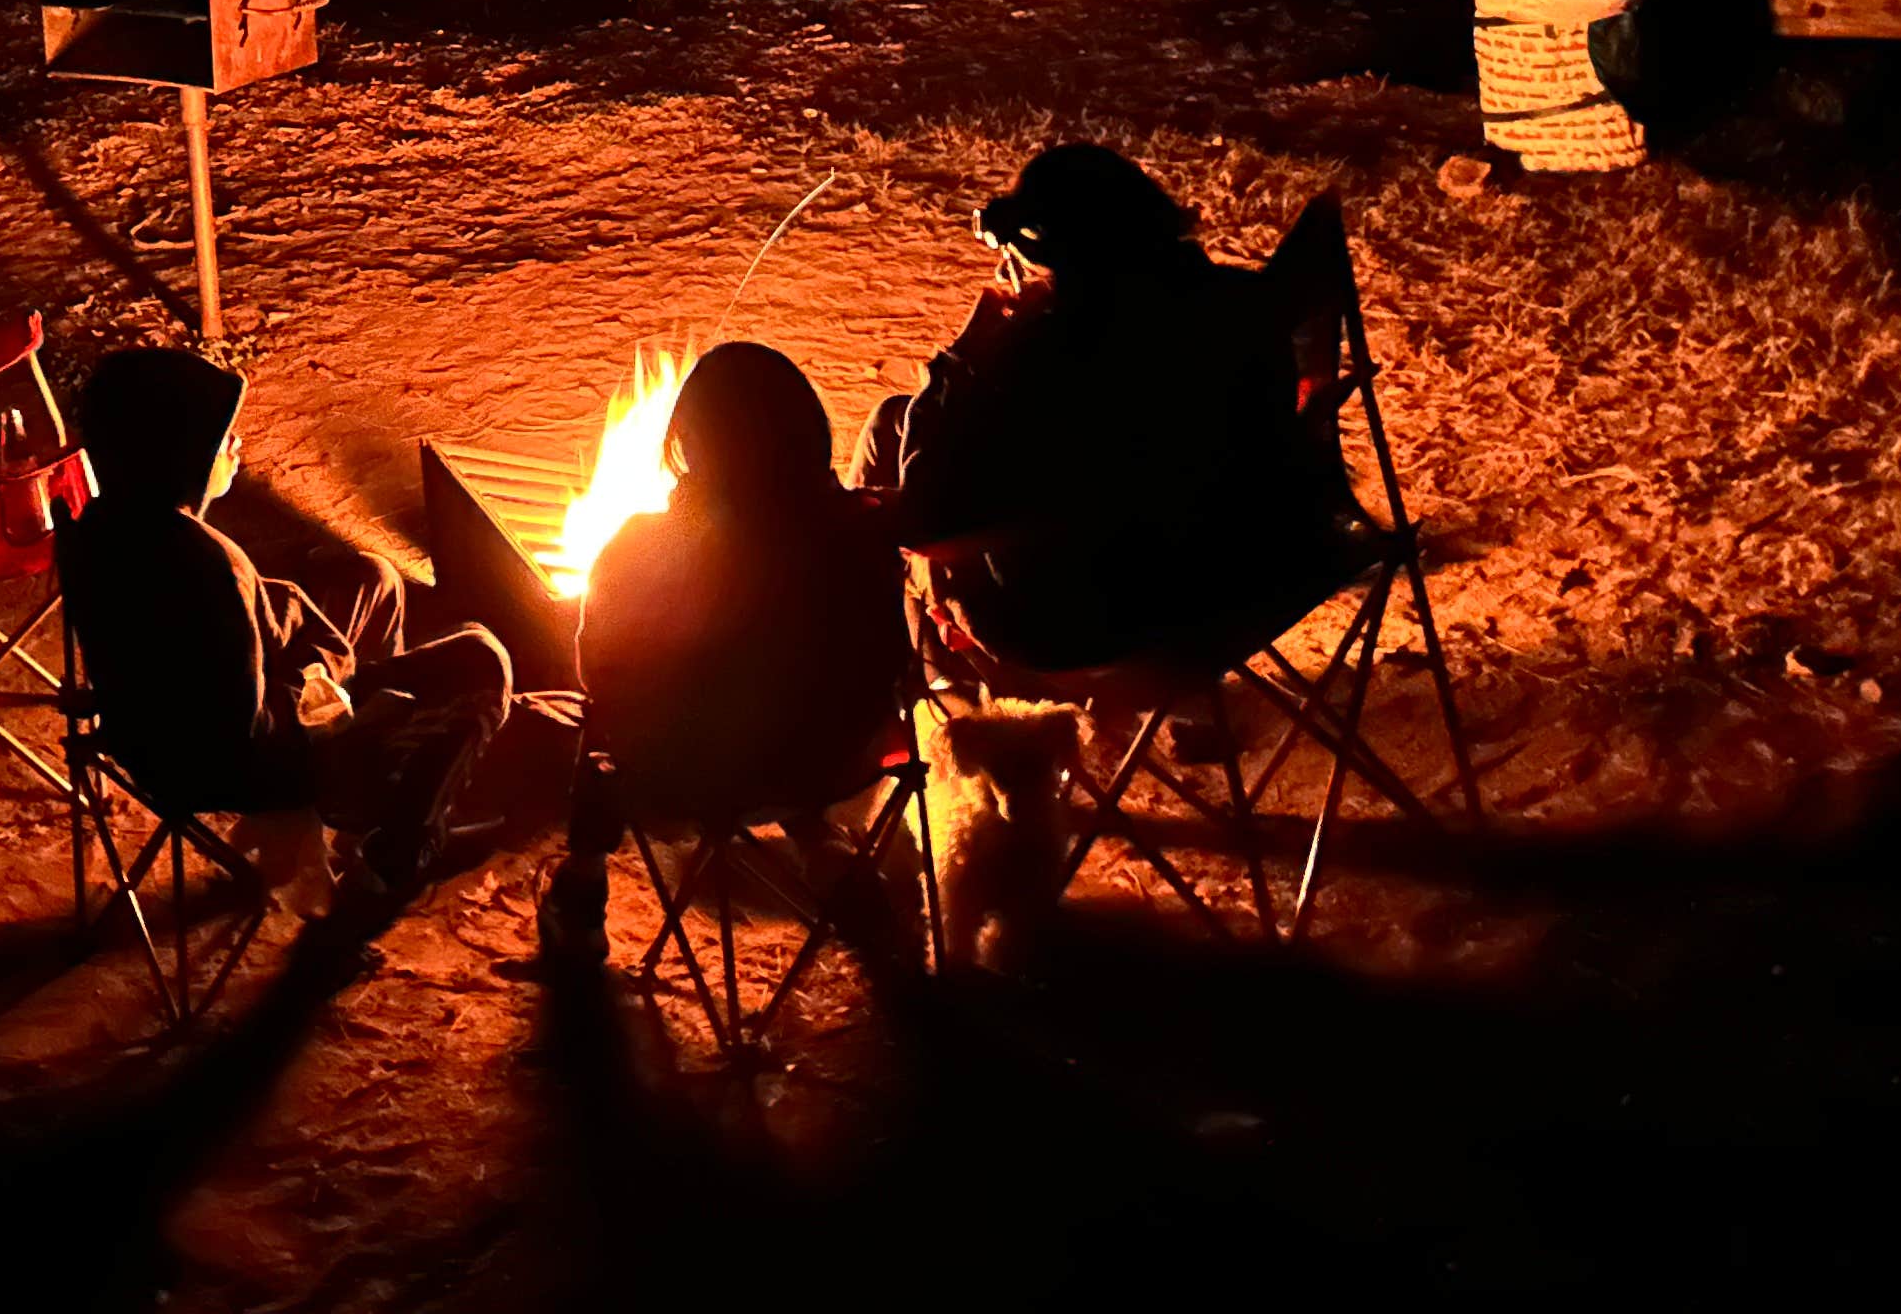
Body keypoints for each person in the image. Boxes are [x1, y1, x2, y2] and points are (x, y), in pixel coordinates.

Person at [878, 145, 1360, 678]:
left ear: (1052, 252)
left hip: (1104, 626)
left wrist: (965, 356)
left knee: (904, 497)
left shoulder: (1051, 357)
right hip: (1249, 561)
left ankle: (918, 676)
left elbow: (928, 523)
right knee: (897, 427)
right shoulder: (1243, 302)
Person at [56, 344, 520, 892]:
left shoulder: (104, 525)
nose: (236, 443)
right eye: (221, 437)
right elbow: (248, 733)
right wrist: (325, 667)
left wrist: (297, 624)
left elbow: (174, 644)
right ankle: (402, 847)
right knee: (480, 655)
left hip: (150, 728)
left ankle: (378, 809)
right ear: (182, 458)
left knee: (374, 577)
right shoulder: (210, 565)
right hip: (240, 767)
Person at [551, 342, 914, 950]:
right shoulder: (862, 534)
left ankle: (582, 889)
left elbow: (599, 674)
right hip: (840, 762)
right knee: (784, 694)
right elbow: (892, 661)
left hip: (691, 780)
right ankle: (818, 843)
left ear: (692, 443)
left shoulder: (645, 547)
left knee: (606, 715)